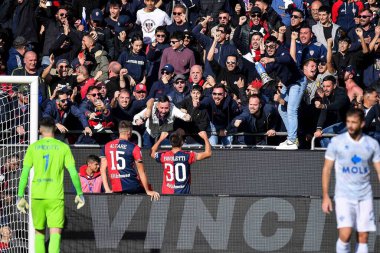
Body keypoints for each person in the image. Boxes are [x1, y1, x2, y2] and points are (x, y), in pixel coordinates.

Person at [16, 117, 85, 253]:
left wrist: (19, 196)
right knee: (55, 235)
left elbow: (24, 174)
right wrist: (79, 193)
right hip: (55, 196)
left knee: (39, 234)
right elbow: (73, 173)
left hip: (37, 195)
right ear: (54, 128)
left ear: (40, 130)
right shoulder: (63, 147)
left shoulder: (33, 147)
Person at [322, 108, 380, 253]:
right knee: (345, 234)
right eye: (348, 122)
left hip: (364, 196)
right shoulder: (337, 142)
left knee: (363, 237)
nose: (350, 125)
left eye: (354, 122)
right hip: (344, 196)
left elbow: (379, 170)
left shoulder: (372, 144)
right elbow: (327, 169)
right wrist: (325, 196)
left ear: (362, 124)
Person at [100, 120, 160, 200]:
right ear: (129, 132)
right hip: (132, 186)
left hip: (115, 188)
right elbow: (141, 171)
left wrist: (107, 189)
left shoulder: (106, 146)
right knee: (148, 189)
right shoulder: (134, 147)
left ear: (119, 131)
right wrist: (148, 190)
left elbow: (102, 169)